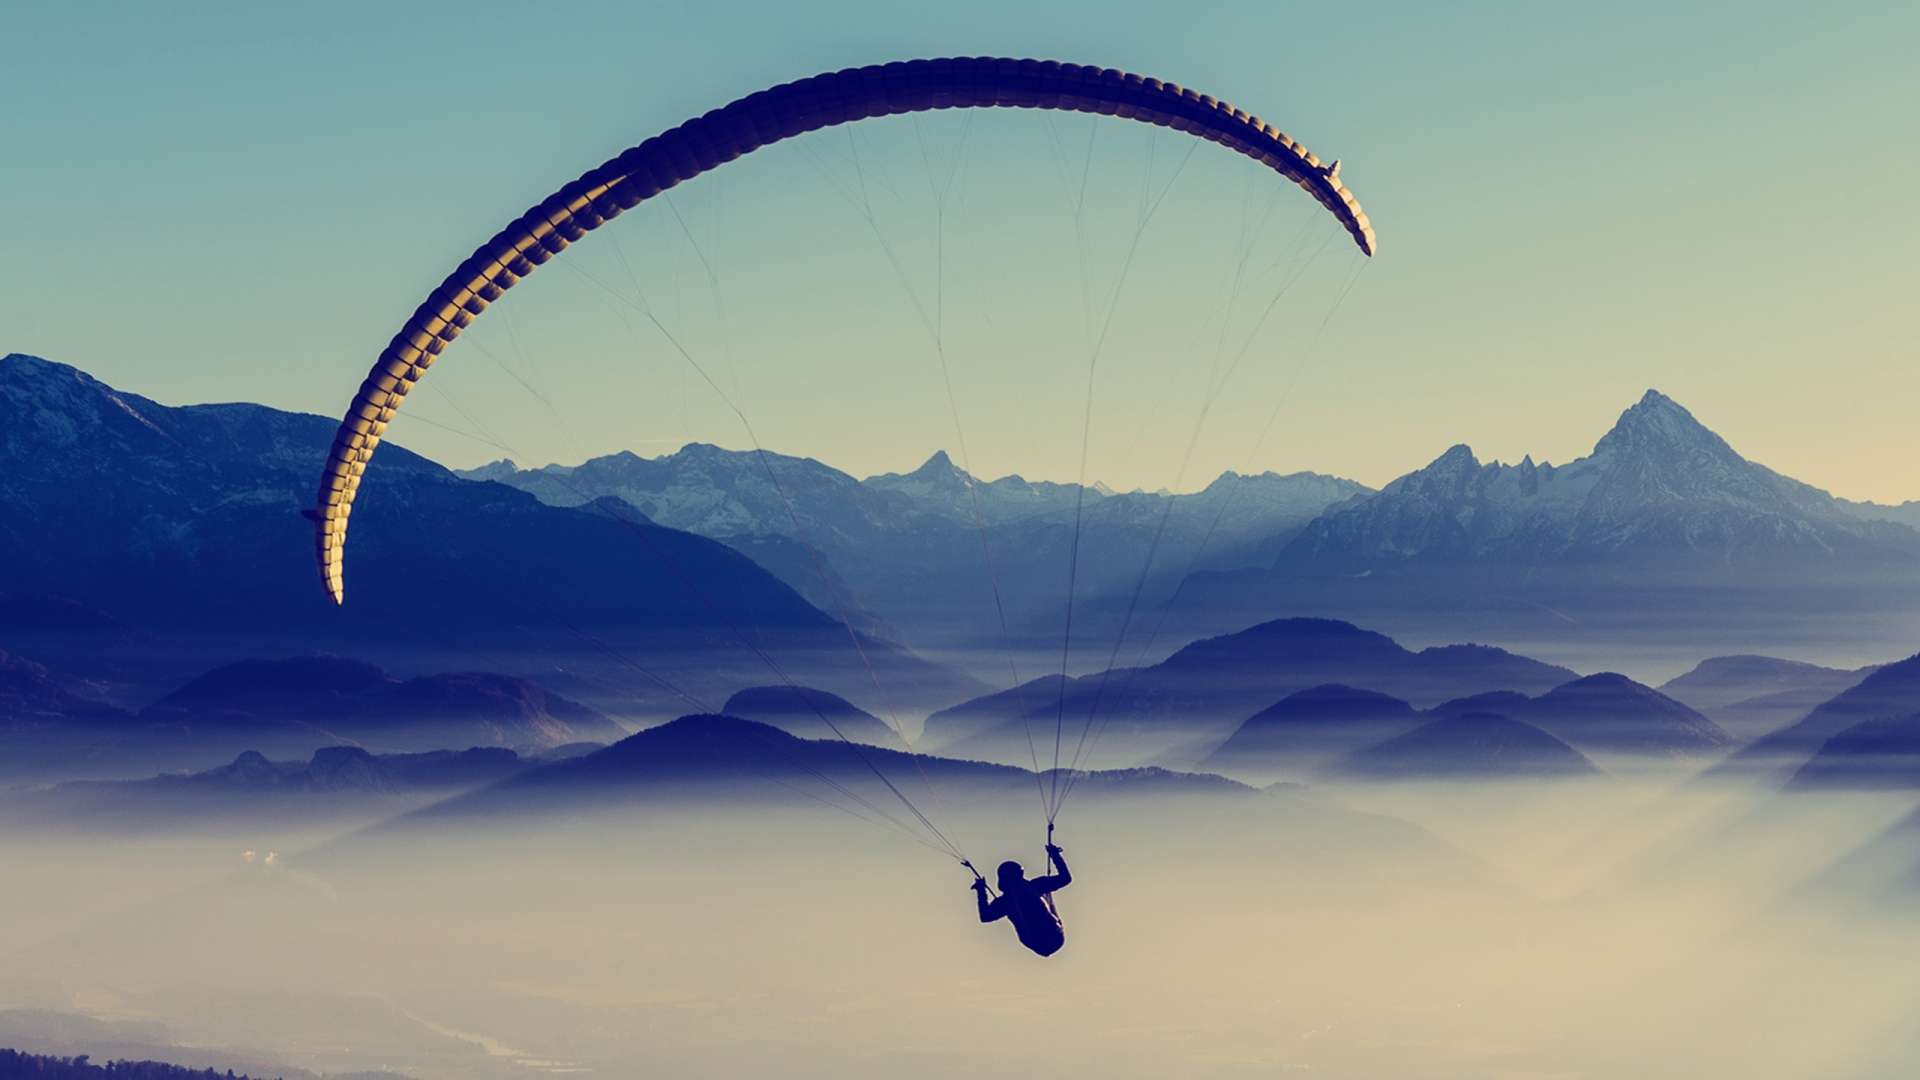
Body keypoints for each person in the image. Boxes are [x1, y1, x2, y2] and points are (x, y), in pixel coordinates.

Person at [971, 841, 1071, 957]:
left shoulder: (1006, 901)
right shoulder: (1035, 886)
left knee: (1027, 910)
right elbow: (1065, 878)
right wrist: (1055, 856)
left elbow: (986, 916)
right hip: (1052, 937)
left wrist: (981, 891)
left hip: (1040, 941)